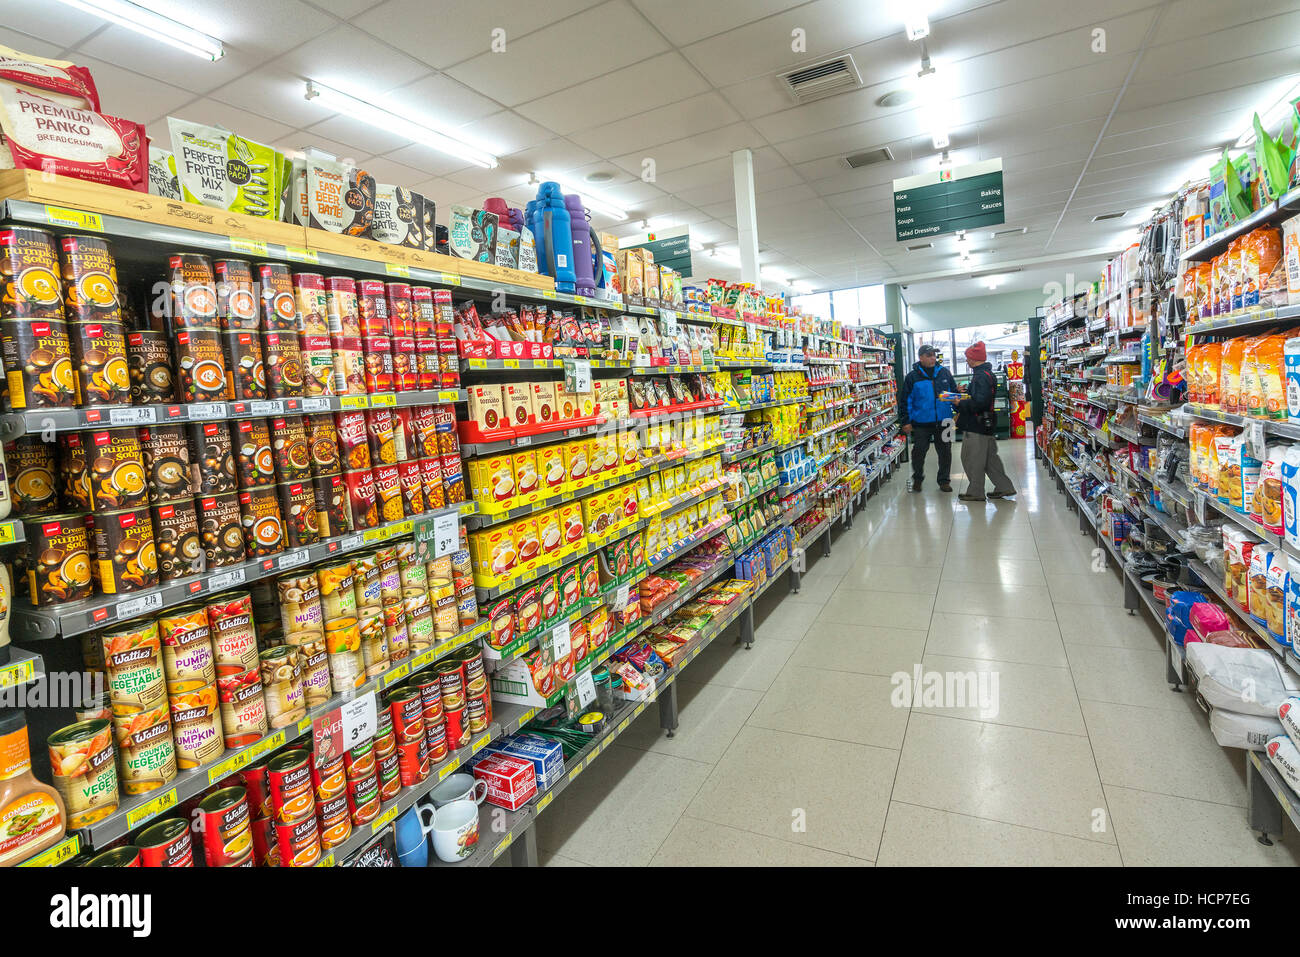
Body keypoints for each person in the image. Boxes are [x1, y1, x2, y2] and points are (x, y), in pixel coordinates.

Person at [953, 341, 1016, 502]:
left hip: (976, 424)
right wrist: (966, 393)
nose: (967, 361)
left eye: (967, 358)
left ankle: (975, 491)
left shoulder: (980, 376)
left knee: (970, 457)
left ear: (974, 359)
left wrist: (961, 402)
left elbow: (980, 402)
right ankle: (1004, 486)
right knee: (989, 459)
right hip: (987, 423)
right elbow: (982, 398)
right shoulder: (987, 374)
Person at [900, 344, 958, 493]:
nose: (933, 358)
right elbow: (905, 401)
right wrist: (906, 421)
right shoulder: (912, 377)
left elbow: (954, 394)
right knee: (918, 452)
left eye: (934, 355)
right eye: (929, 355)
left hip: (945, 421)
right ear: (921, 358)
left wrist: (958, 410)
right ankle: (917, 478)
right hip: (921, 423)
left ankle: (944, 481)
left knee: (945, 452)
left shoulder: (945, 373)